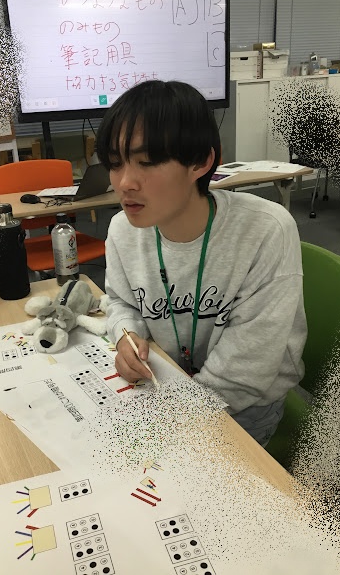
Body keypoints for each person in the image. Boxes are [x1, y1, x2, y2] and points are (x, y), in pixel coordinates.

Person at [96, 80, 307, 447]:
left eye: (147, 162)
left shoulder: (265, 231)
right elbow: (120, 301)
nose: (125, 182)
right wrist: (126, 336)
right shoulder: (122, 230)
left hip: (243, 406)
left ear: (201, 162)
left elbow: (246, 371)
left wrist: (168, 422)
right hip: (166, 383)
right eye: (115, 164)